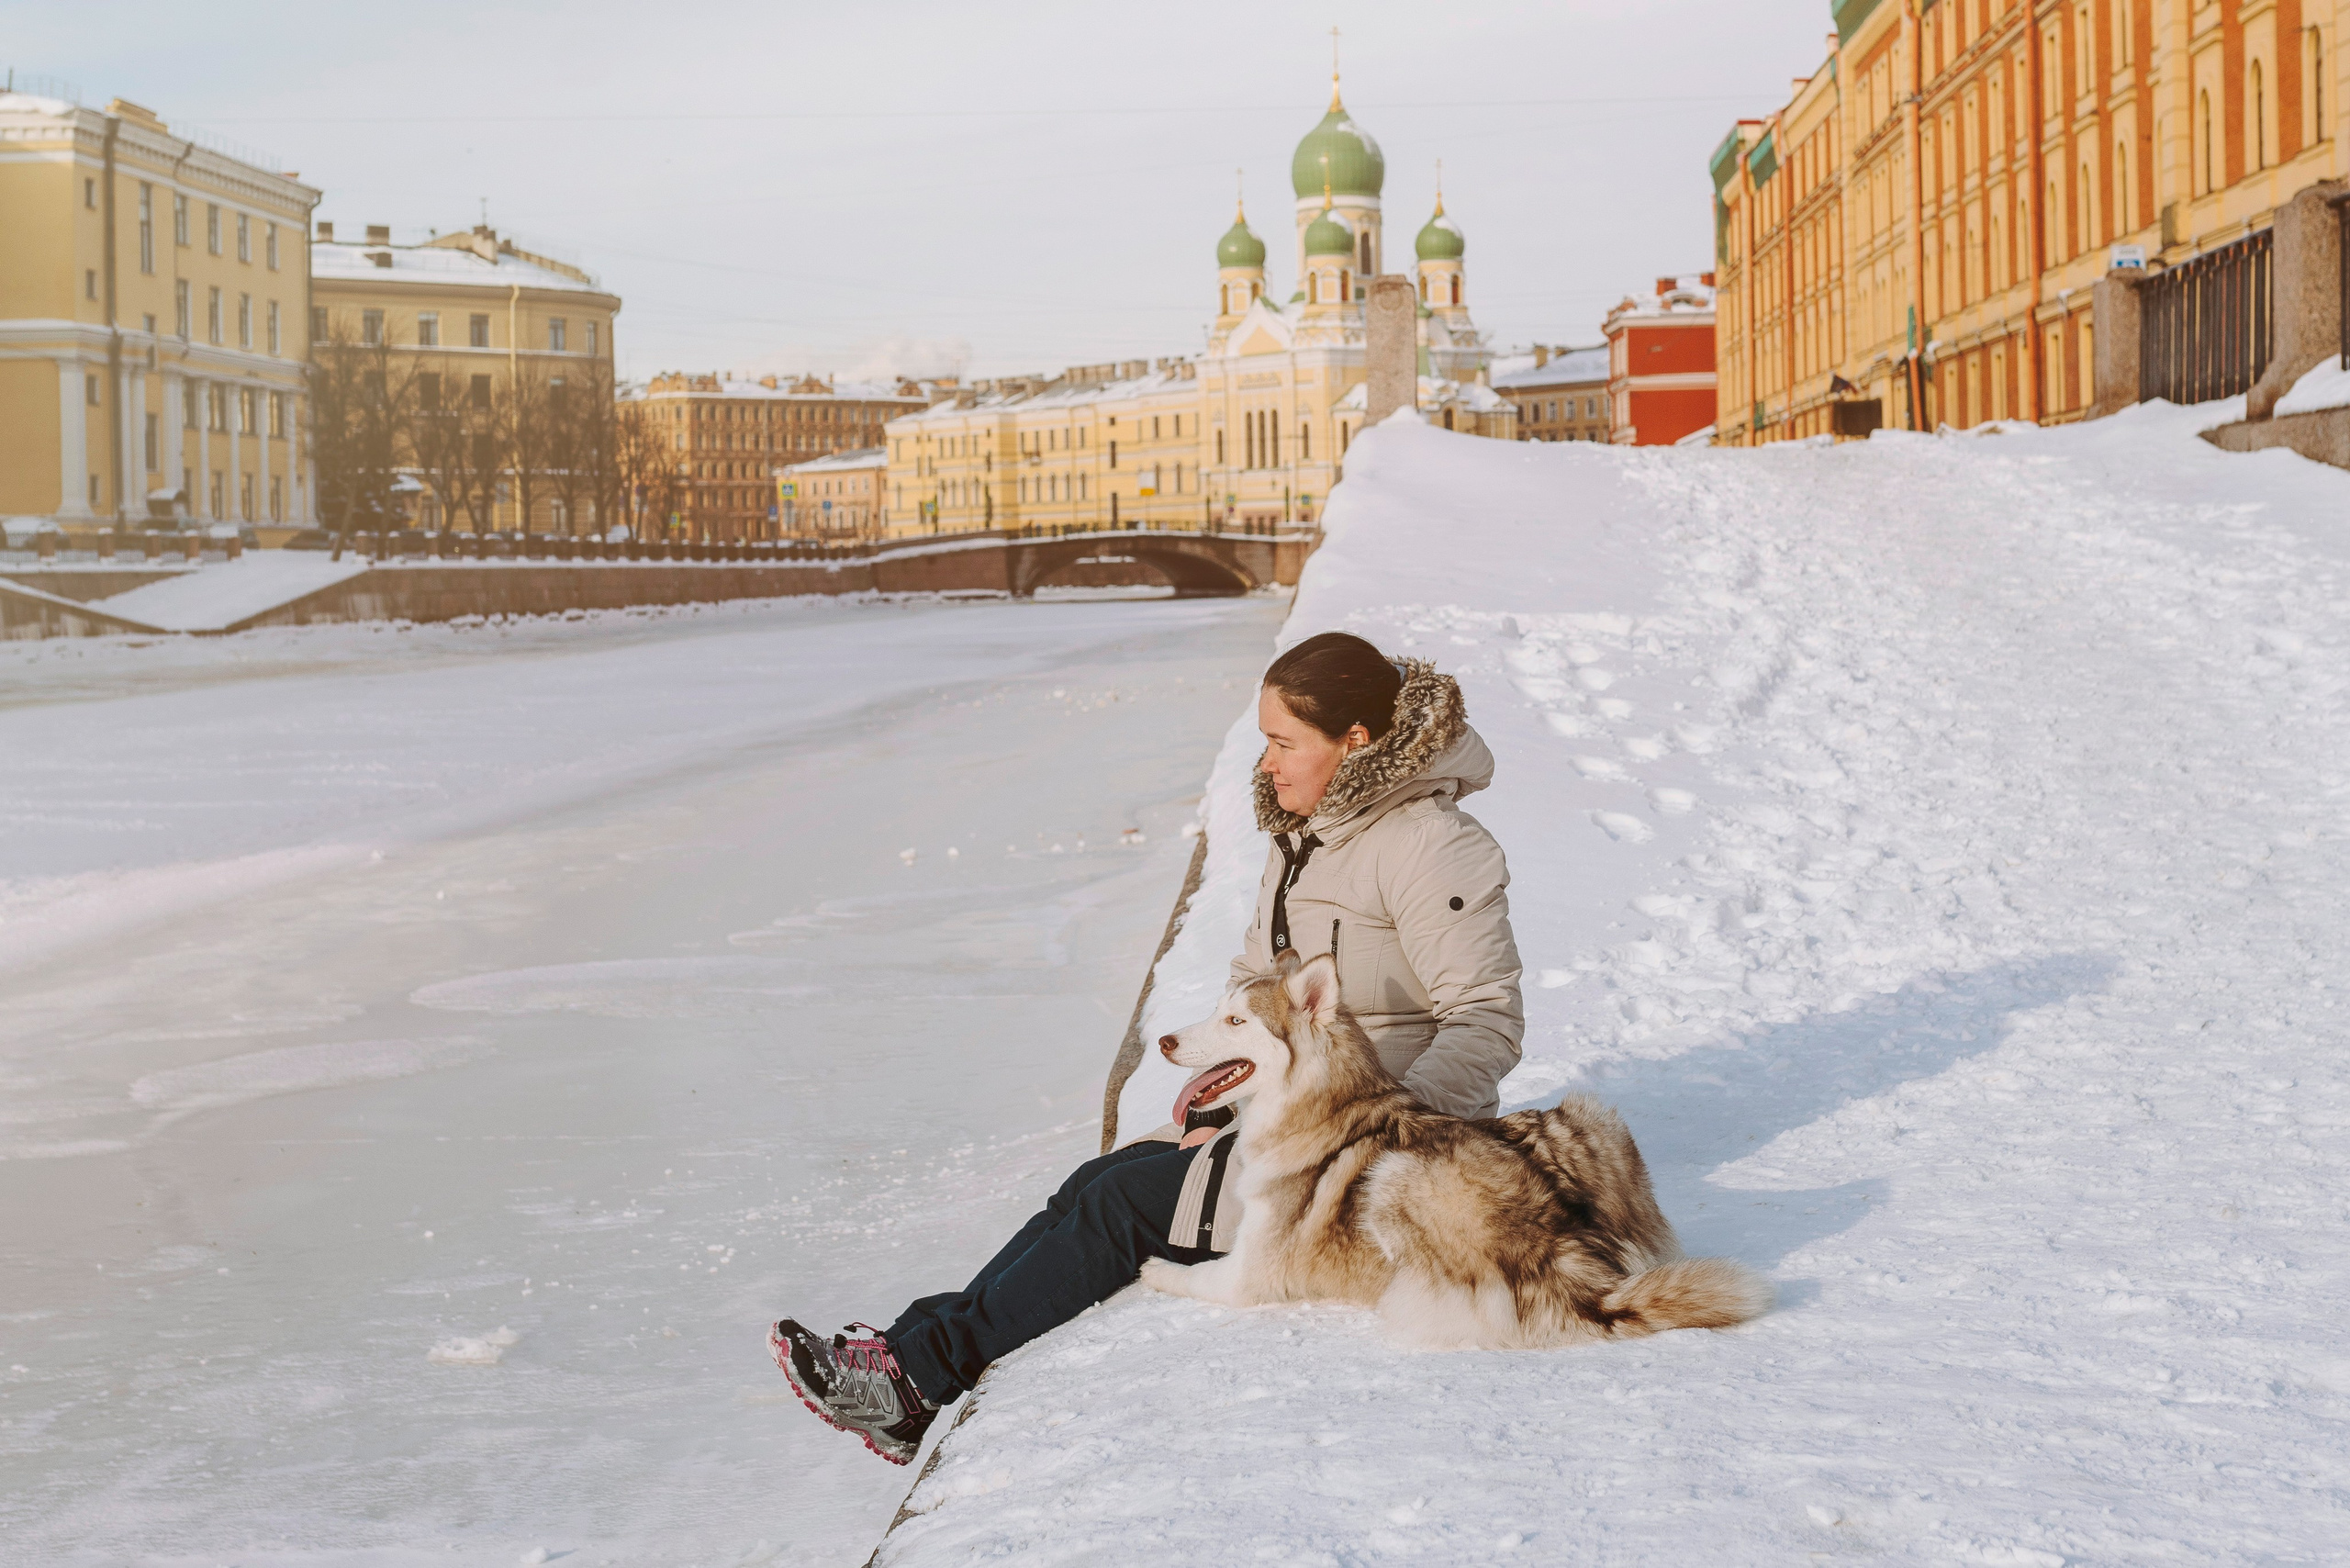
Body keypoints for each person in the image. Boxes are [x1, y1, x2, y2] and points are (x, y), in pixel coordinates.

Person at [770, 631, 1525, 1463]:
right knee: (1097, 1180)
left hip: (1374, 1163)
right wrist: (1222, 1089)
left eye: (1283, 743)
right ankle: (910, 1357)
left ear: (1356, 742)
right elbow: (1255, 981)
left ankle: (914, 1379)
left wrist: (1385, 1134)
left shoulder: (1429, 845)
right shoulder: (1310, 833)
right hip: (1289, 1121)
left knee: (1119, 1209)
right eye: (1264, 741)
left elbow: (1485, 1017)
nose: (1267, 765)